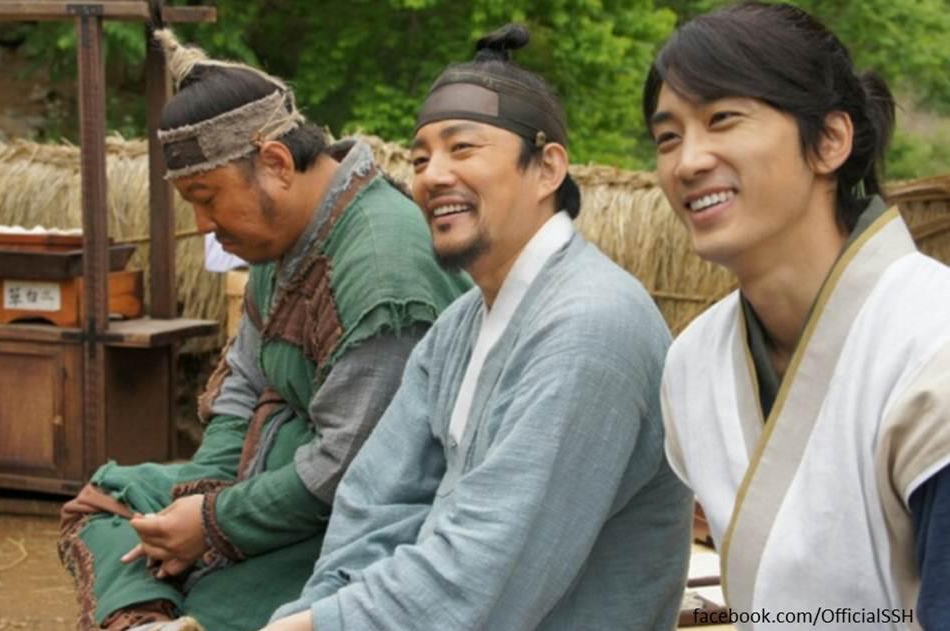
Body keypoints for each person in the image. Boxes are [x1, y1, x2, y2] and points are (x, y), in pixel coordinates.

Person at [263, 24, 692, 631]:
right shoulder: (460, 324)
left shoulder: (592, 327)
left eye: (462, 149)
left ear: (547, 168)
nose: (432, 175)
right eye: (420, 159)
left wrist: (324, 625)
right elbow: (376, 501)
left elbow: (489, 569)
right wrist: (321, 608)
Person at [57, 29, 470, 631]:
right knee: (113, 498)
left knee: (214, 603)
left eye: (206, 197)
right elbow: (242, 390)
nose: (202, 224)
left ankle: (168, 610)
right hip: (260, 484)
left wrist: (213, 524)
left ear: (275, 163)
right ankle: (150, 620)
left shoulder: (384, 272)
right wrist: (199, 502)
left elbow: (351, 470)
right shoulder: (280, 242)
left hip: (355, 520)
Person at [646, 3, 950, 629]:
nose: (687, 161)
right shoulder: (691, 363)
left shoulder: (932, 340)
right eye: (668, 137)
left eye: (723, 119)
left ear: (830, 140)